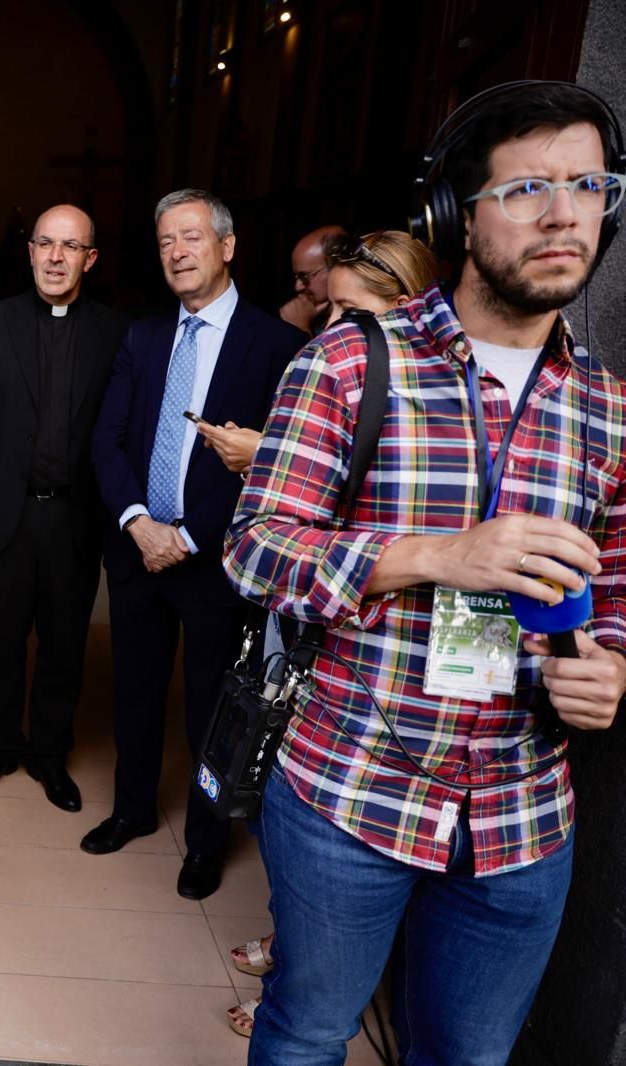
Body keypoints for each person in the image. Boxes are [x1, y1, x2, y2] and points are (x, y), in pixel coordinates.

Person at [225, 82, 626, 1064]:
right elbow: (256, 547)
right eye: (527, 185)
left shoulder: (608, 406)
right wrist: (431, 556)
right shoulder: (351, 365)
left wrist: (610, 664)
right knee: (307, 1032)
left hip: (523, 816)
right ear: (455, 212)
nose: (563, 211)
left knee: (469, 1056)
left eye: (587, 183)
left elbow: (614, 586)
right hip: (351, 789)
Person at [220, 228, 441, 1041]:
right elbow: (266, 539)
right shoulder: (334, 369)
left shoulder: (453, 403)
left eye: (355, 310)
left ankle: (315, 975)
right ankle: (295, 953)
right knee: (289, 807)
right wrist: (268, 463)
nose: (335, 326)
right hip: (315, 641)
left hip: (404, 680)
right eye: (329, 306)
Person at [83, 189, 305, 901]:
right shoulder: (144, 336)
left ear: (227, 246)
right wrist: (138, 523)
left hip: (215, 559)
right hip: (138, 546)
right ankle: (132, 810)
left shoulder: (277, 346)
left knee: (213, 705)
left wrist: (185, 534)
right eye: (165, 242)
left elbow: (277, 467)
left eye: (191, 238)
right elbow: (107, 439)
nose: (177, 252)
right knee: (135, 691)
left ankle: (207, 841)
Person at [0, 205, 130, 810]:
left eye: (70, 247)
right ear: (28, 252)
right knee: (1, 640)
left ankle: (50, 754)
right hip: (6, 512)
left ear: (89, 259)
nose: (55, 257)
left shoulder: (114, 331)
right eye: (45, 244)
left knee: (65, 643)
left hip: (75, 518)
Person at [195, 230, 441, 477]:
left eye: (348, 310)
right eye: (331, 308)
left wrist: (266, 451)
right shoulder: (352, 381)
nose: (331, 324)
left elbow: (393, 484)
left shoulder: (442, 391)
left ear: (402, 308)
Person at [278, 225, 347, 334]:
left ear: (335, 269)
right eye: (297, 277)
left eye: (305, 277)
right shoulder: (314, 316)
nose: (298, 286)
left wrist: (300, 328)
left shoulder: (355, 321)